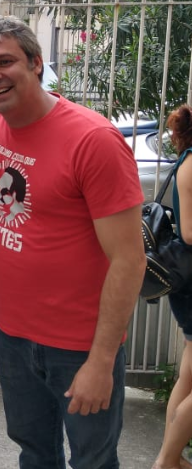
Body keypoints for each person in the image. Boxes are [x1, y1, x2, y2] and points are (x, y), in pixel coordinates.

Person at [0, 15, 146, 468]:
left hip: (80, 346)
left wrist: (101, 361)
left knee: (92, 460)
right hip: (14, 337)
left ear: (36, 63)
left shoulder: (93, 140)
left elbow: (129, 260)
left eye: (5, 62)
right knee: (35, 453)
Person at [153, 104, 192, 469]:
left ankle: (172, 457)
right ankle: (167, 461)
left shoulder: (186, 160)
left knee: (188, 377)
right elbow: (190, 232)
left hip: (187, 281)